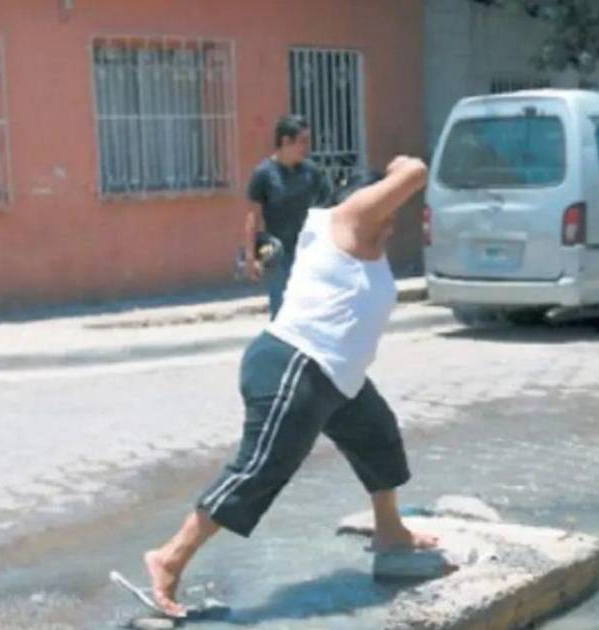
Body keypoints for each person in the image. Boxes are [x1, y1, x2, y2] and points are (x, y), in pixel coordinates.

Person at [143, 156, 432, 617]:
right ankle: (169, 557)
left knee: (378, 437)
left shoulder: (365, 241)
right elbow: (414, 172)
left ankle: (389, 530)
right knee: (261, 467)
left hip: (337, 377)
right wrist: (397, 168)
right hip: (295, 365)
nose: (392, 222)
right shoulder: (348, 221)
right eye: (388, 210)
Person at [245, 115, 334, 319]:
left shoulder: (312, 172)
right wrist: (251, 257)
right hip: (278, 254)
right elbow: (253, 217)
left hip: (309, 252)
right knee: (282, 313)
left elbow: (329, 206)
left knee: (311, 310)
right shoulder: (264, 174)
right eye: (302, 141)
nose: (307, 147)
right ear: (285, 141)